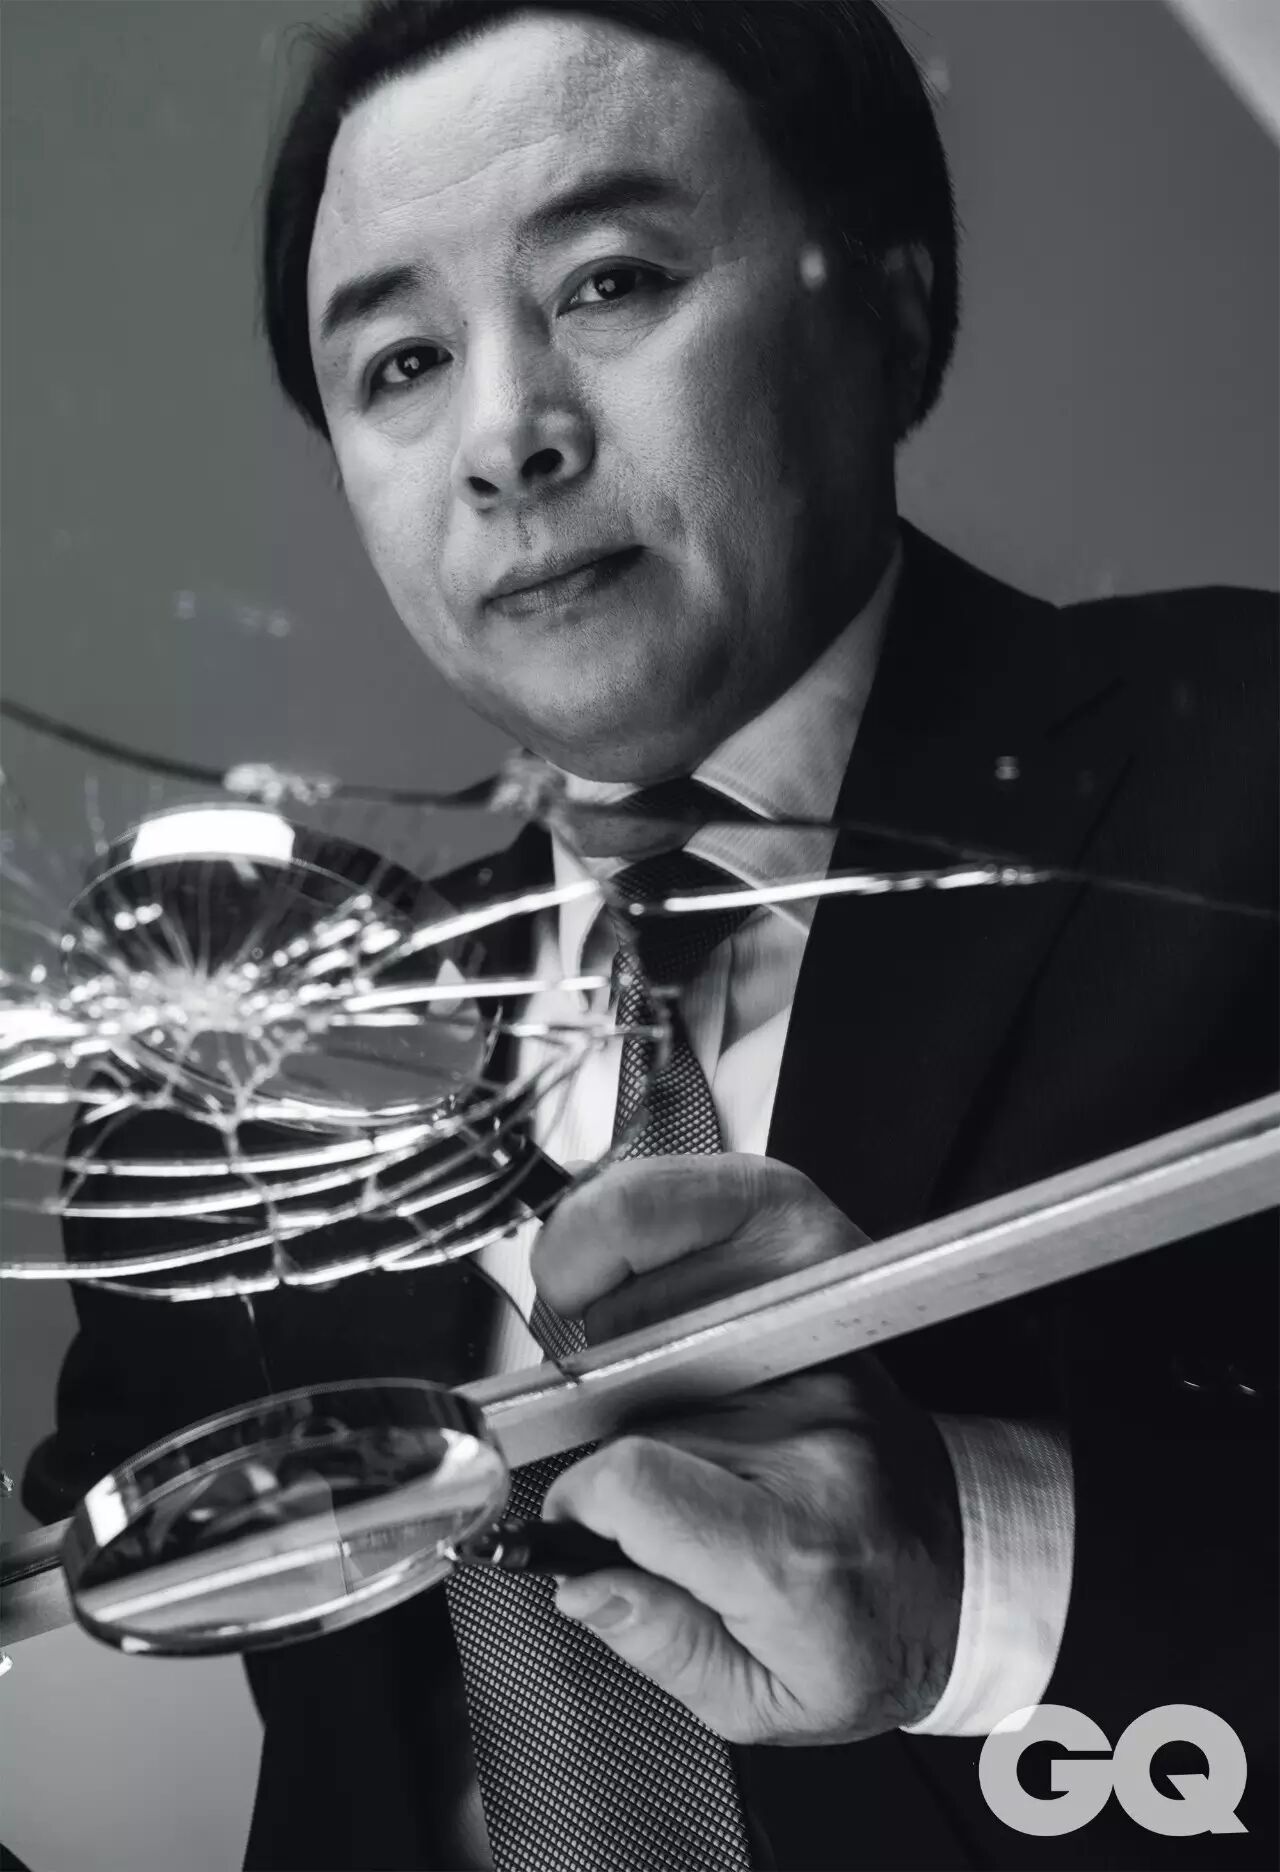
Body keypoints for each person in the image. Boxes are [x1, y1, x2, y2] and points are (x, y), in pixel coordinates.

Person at [29, 3, 1277, 1868]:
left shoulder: (1244, 767)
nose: (505, 439)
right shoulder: (252, 1070)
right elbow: (90, 1620)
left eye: (609, 282)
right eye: (399, 364)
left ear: (893, 309)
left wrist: (985, 1574)